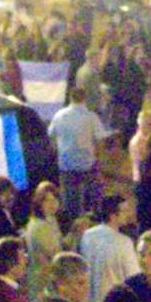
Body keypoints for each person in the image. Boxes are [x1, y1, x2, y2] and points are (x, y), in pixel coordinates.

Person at [47, 87, 106, 223]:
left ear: (70, 98)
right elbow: (100, 139)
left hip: (66, 163)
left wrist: (57, 151)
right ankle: (92, 219)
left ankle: (71, 222)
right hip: (87, 164)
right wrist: (99, 159)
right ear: (84, 99)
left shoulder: (59, 115)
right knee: (92, 195)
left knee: (69, 198)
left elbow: (51, 135)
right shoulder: (91, 117)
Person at [79, 195, 141, 302]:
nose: (128, 214)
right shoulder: (123, 242)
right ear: (113, 216)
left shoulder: (87, 236)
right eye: (124, 211)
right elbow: (134, 277)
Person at [23, 181, 64, 302]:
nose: (52, 204)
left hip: (51, 279)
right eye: (47, 200)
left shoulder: (51, 219)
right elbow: (57, 255)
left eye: (55, 200)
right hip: (42, 283)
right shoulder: (39, 226)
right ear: (39, 202)